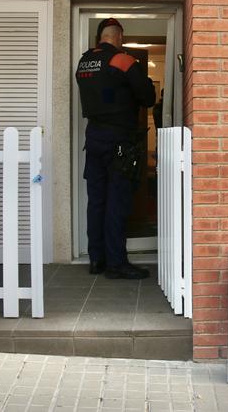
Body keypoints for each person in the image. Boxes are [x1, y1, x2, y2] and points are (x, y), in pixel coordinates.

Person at [76, 18, 155, 279]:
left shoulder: (84, 62)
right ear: (118, 37)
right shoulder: (122, 60)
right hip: (118, 140)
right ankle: (116, 263)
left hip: (94, 139)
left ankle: (97, 259)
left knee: (96, 201)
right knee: (117, 201)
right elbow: (148, 97)